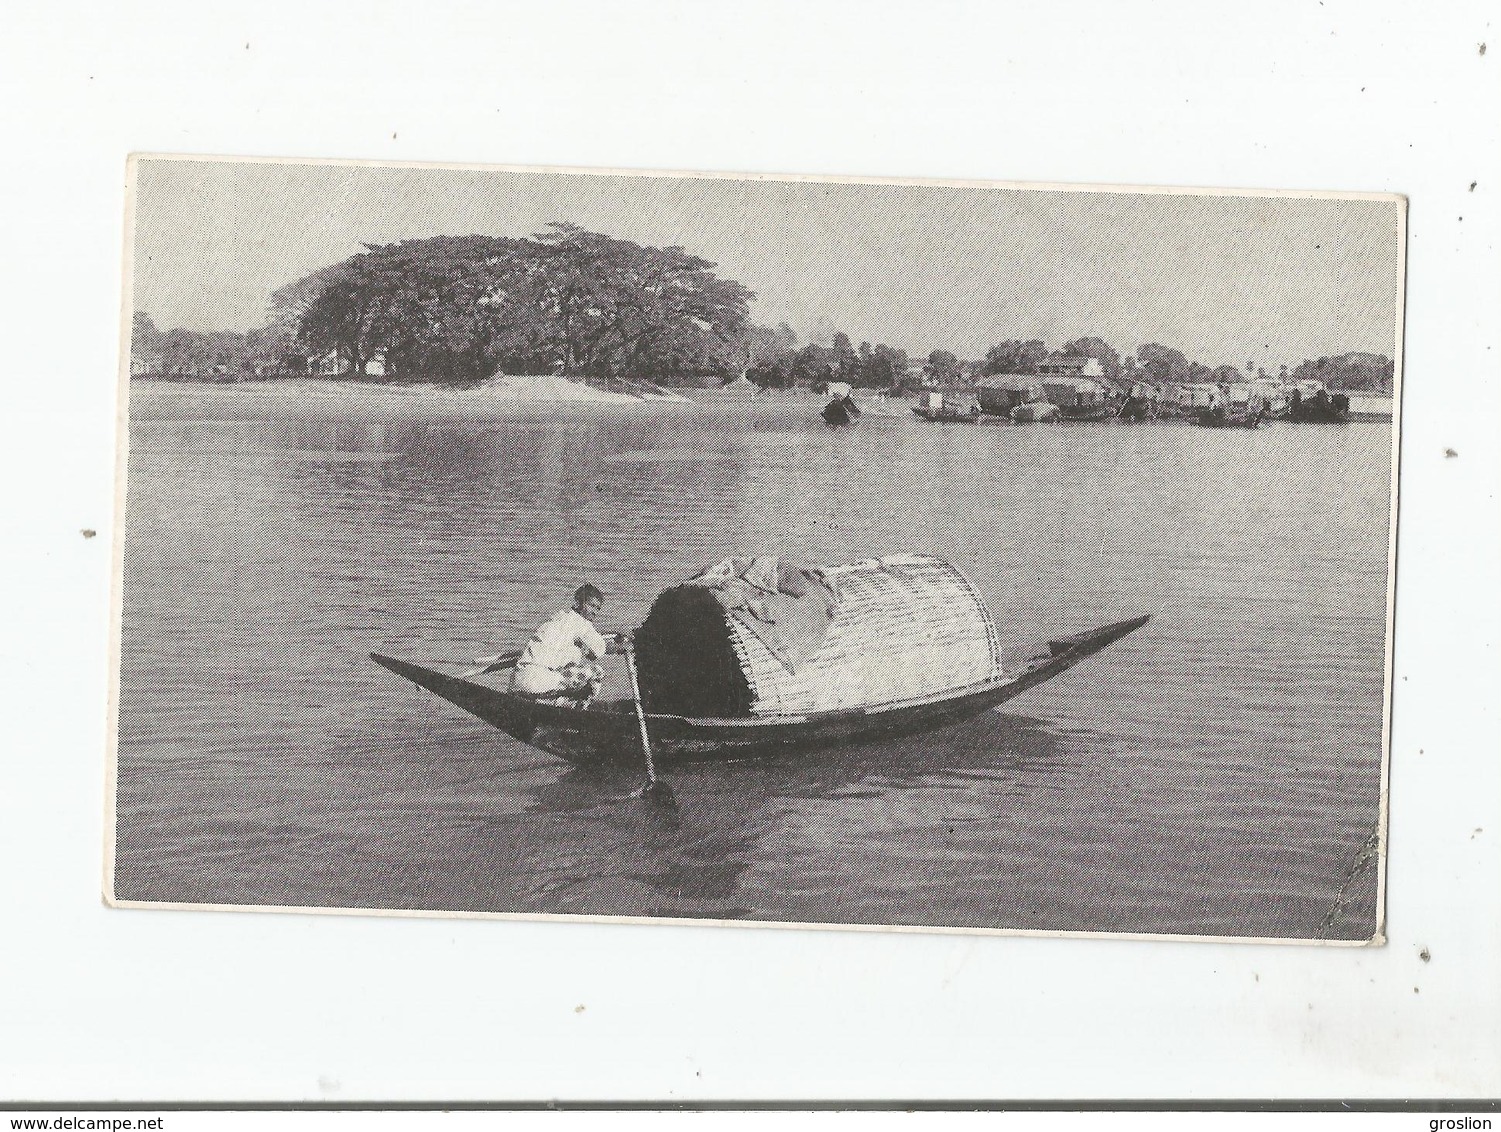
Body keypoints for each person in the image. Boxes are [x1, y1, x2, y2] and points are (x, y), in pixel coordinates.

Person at [510, 584, 625, 705]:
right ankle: (576, 707)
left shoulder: (558, 619)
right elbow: (600, 650)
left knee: (568, 666)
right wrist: (625, 647)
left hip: (519, 679)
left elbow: (591, 650)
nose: (594, 612)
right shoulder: (583, 624)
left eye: (597, 608)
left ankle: (552, 701)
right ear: (578, 603)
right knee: (597, 672)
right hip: (540, 682)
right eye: (591, 606)